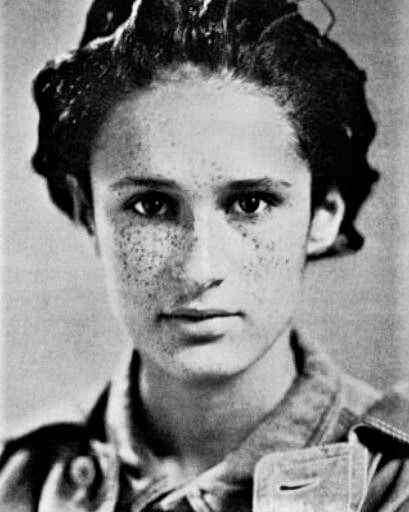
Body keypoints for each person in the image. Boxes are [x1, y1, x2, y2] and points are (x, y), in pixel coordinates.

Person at [1, 0, 409, 510]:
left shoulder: (393, 484)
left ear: (323, 213)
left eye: (250, 203)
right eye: (151, 206)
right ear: (88, 213)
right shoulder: (18, 482)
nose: (200, 269)